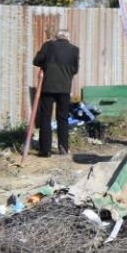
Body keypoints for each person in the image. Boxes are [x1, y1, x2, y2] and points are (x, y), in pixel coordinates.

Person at [32, 28, 80, 157]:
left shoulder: (48, 45)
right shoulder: (74, 50)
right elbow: (75, 70)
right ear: (68, 37)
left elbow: (36, 61)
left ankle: (45, 150)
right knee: (63, 118)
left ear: (57, 37)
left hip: (48, 87)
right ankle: (63, 147)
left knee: (45, 118)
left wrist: (45, 60)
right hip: (64, 88)